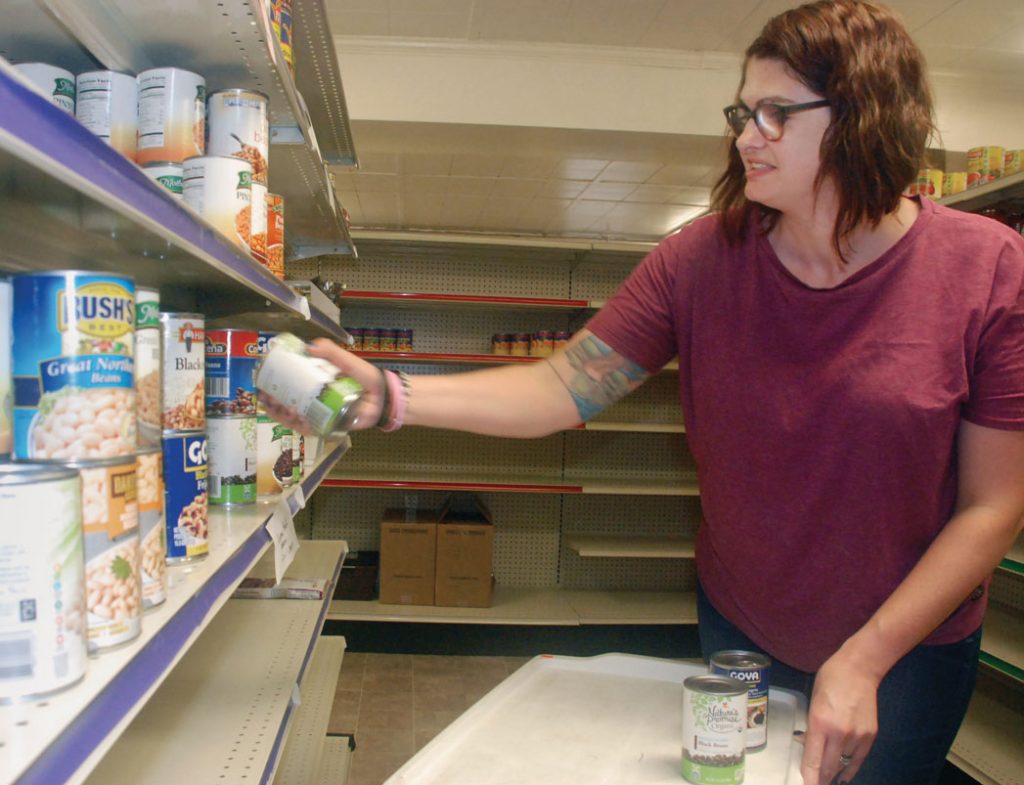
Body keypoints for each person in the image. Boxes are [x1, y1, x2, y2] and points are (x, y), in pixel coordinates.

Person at [266, 1, 1024, 783]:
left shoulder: (989, 270)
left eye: (776, 113)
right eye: (743, 113)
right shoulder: (700, 259)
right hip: (744, 623)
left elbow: (993, 505)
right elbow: (562, 385)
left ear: (864, 116)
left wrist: (865, 657)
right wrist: (393, 397)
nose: (746, 136)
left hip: (907, 647)